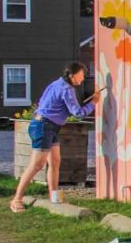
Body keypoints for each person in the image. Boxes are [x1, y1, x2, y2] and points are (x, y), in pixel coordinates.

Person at [10, 62, 101, 212]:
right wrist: (94, 103)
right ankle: (16, 199)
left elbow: (43, 102)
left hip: (49, 125)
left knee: (55, 161)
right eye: (81, 74)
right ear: (72, 74)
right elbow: (78, 113)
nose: (83, 78)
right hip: (44, 126)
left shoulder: (57, 83)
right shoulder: (67, 88)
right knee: (37, 165)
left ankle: (53, 197)